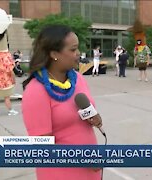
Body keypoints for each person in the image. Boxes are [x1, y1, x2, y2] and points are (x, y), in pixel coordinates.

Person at [22, 25, 102, 180]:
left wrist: (95, 117)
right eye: (73, 50)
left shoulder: (77, 78)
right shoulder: (36, 91)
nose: (78, 54)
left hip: (91, 170)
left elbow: (86, 109)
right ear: (54, 54)